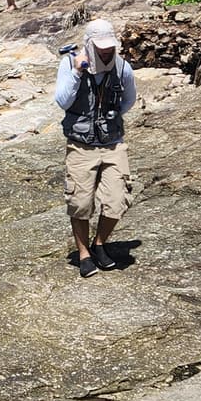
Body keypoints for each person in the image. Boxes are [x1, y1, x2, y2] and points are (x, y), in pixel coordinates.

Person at [54, 18, 138, 277]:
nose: (106, 52)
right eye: (100, 48)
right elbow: (63, 101)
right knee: (80, 203)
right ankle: (84, 254)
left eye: (109, 48)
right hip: (81, 145)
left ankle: (99, 243)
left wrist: (107, 120)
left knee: (117, 200)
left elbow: (129, 100)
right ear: (88, 45)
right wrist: (79, 72)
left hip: (113, 143)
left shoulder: (123, 68)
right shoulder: (69, 63)